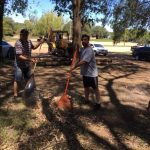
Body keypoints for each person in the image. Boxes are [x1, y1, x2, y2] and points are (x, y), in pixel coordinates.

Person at [69, 34, 101, 109]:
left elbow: (84, 61)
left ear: (88, 40)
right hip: (85, 73)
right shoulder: (83, 49)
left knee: (95, 89)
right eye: (82, 40)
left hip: (92, 74)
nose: (84, 41)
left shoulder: (90, 50)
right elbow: (77, 53)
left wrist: (74, 66)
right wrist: (76, 49)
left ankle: (98, 103)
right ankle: (86, 100)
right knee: (86, 87)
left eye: (85, 39)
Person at [13, 29, 44, 99]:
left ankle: (28, 92)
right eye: (23, 35)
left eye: (26, 35)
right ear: (20, 35)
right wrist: (30, 59)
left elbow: (34, 47)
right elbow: (19, 56)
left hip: (27, 64)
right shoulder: (18, 43)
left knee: (29, 78)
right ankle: (15, 95)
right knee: (17, 79)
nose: (24, 36)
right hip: (19, 65)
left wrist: (40, 43)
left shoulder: (29, 42)